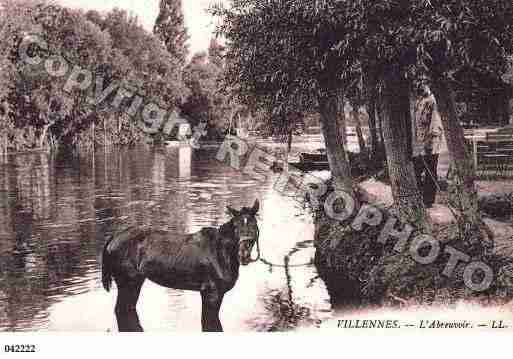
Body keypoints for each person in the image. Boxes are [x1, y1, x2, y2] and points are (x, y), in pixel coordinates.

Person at [412, 85, 445, 208]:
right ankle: (419, 196)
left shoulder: (432, 101)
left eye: (424, 84)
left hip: (431, 144)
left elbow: (435, 125)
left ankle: (428, 201)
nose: (421, 87)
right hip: (419, 143)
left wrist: (429, 143)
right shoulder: (418, 101)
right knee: (416, 169)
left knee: (430, 171)